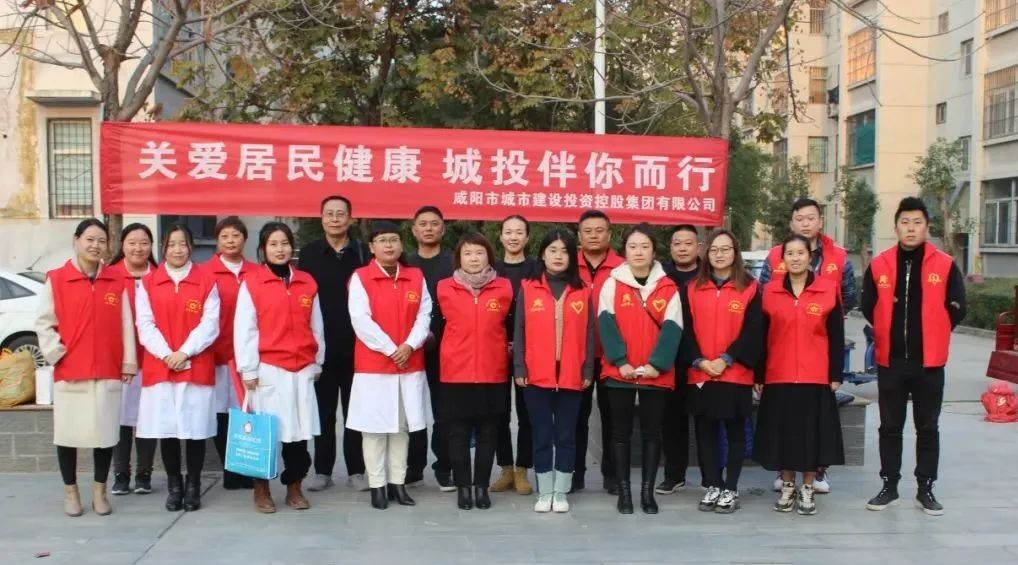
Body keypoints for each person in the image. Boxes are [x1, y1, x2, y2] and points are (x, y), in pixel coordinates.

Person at [862, 197, 966, 516]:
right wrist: (886, 328)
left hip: (929, 363)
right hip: (891, 361)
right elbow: (868, 305)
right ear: (896, 227)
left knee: (928, 427)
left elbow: (958, 306)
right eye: (905, 222)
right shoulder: (880, 264)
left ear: (927, 227)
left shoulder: (944, 264)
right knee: (890, 427)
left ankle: (926, 488)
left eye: (917, 222)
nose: (911, 228)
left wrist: (936, 330)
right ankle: (889, 486)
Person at [36, 219, 137, 517]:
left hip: (106, 368)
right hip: (71, 369)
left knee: (104, 435)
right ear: (76, 240)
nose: (95, 245)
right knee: (67, 435)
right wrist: (56, 353)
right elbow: (44, 323)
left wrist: (128, 361)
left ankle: (99, 491)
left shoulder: (115, 281)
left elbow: (126, 324)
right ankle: (71, 492)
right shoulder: (57, 279)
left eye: (101, 241)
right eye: (90, 239)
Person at [759, 198, 856, 493]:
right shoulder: (773, 259)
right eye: (799, 218)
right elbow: (762, 316)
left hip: (816, 357)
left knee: (815, 425)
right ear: (791, 223)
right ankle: (786, 474)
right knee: (785, 423)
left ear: (820, 221)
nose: (805, 223)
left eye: (810, 217)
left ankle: (816, 475)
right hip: (781, 362)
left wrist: (816, 316)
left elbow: (849, 297)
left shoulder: (838, 257)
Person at [235, 222, 325, 513]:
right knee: (266, 434)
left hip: (302, 368)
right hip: (268, 369)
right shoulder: (252, 283)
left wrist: (318, 360)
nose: (280, 249)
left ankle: (294, 486)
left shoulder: (306, 282)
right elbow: (245, 329)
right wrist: (249, 369)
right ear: (263, 249)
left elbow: (317, 324)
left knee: (298, 433)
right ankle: (261, 489)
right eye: (273, 244)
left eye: (284, 243)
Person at [598, 224, 683, 515]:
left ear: (654, 251)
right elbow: (605, 324)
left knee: (651, 433)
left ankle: (647, 493)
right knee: (620, 434)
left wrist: (656, 365)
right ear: (624, 251)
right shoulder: (612, 284)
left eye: (645, 246)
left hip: (655, 374)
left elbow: (673, 328)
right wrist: (620, 361)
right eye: (633, 246)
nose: (638, 252)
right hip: (620, 372)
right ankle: (624, 492)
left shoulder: (668, 287)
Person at [346, 221, 432, 510]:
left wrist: (409, 345)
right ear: (372, 247)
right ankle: (377, 485)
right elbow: (360, 320)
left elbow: (424, 315)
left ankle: (398, 483)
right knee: (373, 429)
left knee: (401, 427)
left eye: (394, 239)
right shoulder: (361, 277)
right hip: (375, 366)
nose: (389, 245)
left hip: (409, 363)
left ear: (401, 244)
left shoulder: (415, 276)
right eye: (382, 240)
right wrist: (391, 349)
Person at [135, 224, 220, 513]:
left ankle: (193, 486)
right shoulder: (148, 283)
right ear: (163, 248)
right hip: (161, 368)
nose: (177, 250)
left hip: (195, 365)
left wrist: (184, 352)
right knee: (167, 429)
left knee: (195, 430)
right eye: (172, 244)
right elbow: (145, 325)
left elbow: (210, 324)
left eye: (183, 244)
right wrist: (167, 354)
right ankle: (175, 487)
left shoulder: (206, 281)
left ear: (191, 248)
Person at [680, 229, 762, 514]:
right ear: (706, 253)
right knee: (705, 432)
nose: (719, 254)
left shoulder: (750, 287)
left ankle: (731, 488)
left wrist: (727, 359)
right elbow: (684, 330)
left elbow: (754, 330)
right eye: (714, 249)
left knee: (735, 432)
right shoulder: (692, 287)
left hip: (735, 372)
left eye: (725, 249)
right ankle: (713, 484)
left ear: (735, 253)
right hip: (701, 373)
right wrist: (699, 360)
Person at [514, 229, 595, 513]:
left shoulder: (583, 290)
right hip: (537, 375)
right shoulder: (529, 287)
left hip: (572, 374)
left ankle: (560, 492)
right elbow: (519, 330)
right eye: (553, 250)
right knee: (542, 435)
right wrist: (520, 365)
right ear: (542, 254)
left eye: (564, 251)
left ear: (573, 256)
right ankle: (544, 491)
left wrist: (588, 368)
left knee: (565, 436)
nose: (558, 256)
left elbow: (590, 333)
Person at [436, 233, 514, 510]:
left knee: (488, 432)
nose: (473, 259)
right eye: (467, 253)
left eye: (479, 253)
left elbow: (512, 326)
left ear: (489, 257)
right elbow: (435, 327)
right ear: (459, 258)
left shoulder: (504, 287)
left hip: (492, 370)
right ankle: (463, 487)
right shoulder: (444, 288)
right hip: (455, 371)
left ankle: (481, 487)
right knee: (457, 432)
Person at [299, 195, 370, 493]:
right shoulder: (309, 254)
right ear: (321, 218)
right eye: (329, 214)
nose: (335, 219)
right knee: (324, 412)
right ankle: (323, 470)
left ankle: (357, 470)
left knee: (356, 411)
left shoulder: (363, 253)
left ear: (350, 219)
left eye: (341, 214)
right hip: (321, 347)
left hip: (358, 346)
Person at [203, 216, 257, 491]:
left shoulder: (257, 273)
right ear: (217, 241)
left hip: (249, 357)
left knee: (246, 412)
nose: (230, 241)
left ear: (244, 239)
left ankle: (247, 467)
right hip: (218, 355)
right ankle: (230, 469)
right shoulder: (205, 273)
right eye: (224, 236)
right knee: (222, 413)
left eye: (236, 235)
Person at [574, 209, 625, 494]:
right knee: (576, 417)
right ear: (579, 236)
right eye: (588, 231)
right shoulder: (568, 265)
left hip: (612, 355)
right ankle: (575, 473)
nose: (594, 235)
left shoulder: (623, 268)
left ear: (609, 234)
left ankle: (612, 474)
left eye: (599, 230)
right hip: (577, 355)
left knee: (612, 417)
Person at [405, 206, 455, 491]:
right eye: (422, 224)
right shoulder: (405, 264)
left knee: (444, 411)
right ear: (414, 230)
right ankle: (413, 468)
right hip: (408, 349)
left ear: (443, 229)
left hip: (447, 349)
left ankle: (444, 467)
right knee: (412, 409)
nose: (428, 228)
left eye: (434, 224)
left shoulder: (454, 262)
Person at [108, 223, 158, 497]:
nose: (138, 248)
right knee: (121, 418)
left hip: (154, 361)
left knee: (147, 418)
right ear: (123, 245)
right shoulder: (110, 276)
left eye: (144, 243)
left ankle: (144, 474)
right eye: (132, 242)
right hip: (121, 362)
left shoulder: (161, 276)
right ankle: (121, 474)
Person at [491, 215, 537, 496]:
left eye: (519, 232)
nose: (513, 237)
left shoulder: (537, 269)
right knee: (499, 412)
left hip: (529, 350)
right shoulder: (491, 269)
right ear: (500, 236)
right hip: (495, 348)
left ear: (527, 237)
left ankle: (522, 469)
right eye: (508, 232)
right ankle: (505, 467)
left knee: (527, 411)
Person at [657, 224, 701, 495]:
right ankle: (674, 475)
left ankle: (712, 477)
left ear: (698, 247)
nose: (682, 248)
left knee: (706, 419)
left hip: (703, 358)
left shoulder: (709, 275)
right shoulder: (660, 276)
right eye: (677, 243)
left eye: (688, 243)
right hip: (670, 359)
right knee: (671, 420)